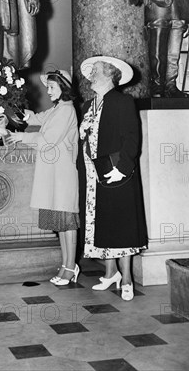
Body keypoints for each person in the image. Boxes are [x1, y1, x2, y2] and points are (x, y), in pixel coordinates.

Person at [78, 56, 147, 301]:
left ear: (109, 73)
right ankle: (111, 273)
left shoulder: (122, 101)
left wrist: (123, 166)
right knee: (101, 222)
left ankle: (126, 278)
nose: (90, 76)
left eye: (95, 70)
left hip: (115, 172)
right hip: (91, 174)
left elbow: (132, 137)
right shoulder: (88, 106)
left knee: (121, 223)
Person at [7, 70, 80, 285]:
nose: (48, 91)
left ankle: (70, 266)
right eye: (48, 87)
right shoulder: (59, 109)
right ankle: (67, 265)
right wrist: (14, 111)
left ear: (63, 88)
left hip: (64, 174)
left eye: (51, 87)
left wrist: (20, 136)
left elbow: (48, 139)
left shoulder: (67, 111)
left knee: (67, 224)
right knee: (61, 224)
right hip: (55, 173)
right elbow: (37, 118)